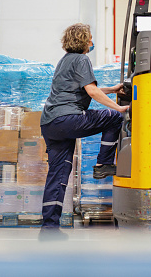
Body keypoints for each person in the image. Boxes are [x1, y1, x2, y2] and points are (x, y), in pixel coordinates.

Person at [39, 23, 130, 239]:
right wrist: (118, 107)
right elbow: (90, 90)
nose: (92, 42)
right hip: (66, 119)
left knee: (58, 176)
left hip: (50, 124)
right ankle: (103, 164)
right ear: (83, 40)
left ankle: (49, 229)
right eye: (90, 38)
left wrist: (111, 89)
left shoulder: (64, 61)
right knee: (115, 118)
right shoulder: (82, 59)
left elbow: (84, 89)